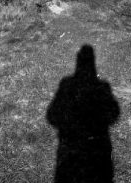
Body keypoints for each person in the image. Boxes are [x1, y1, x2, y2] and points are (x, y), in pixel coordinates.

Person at [46, 44, 121, 183]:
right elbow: (114, 113)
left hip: (72, 149)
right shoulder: (102, 86)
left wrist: (69, 124)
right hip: (97, 148)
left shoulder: (67, 84)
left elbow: (52, 116)